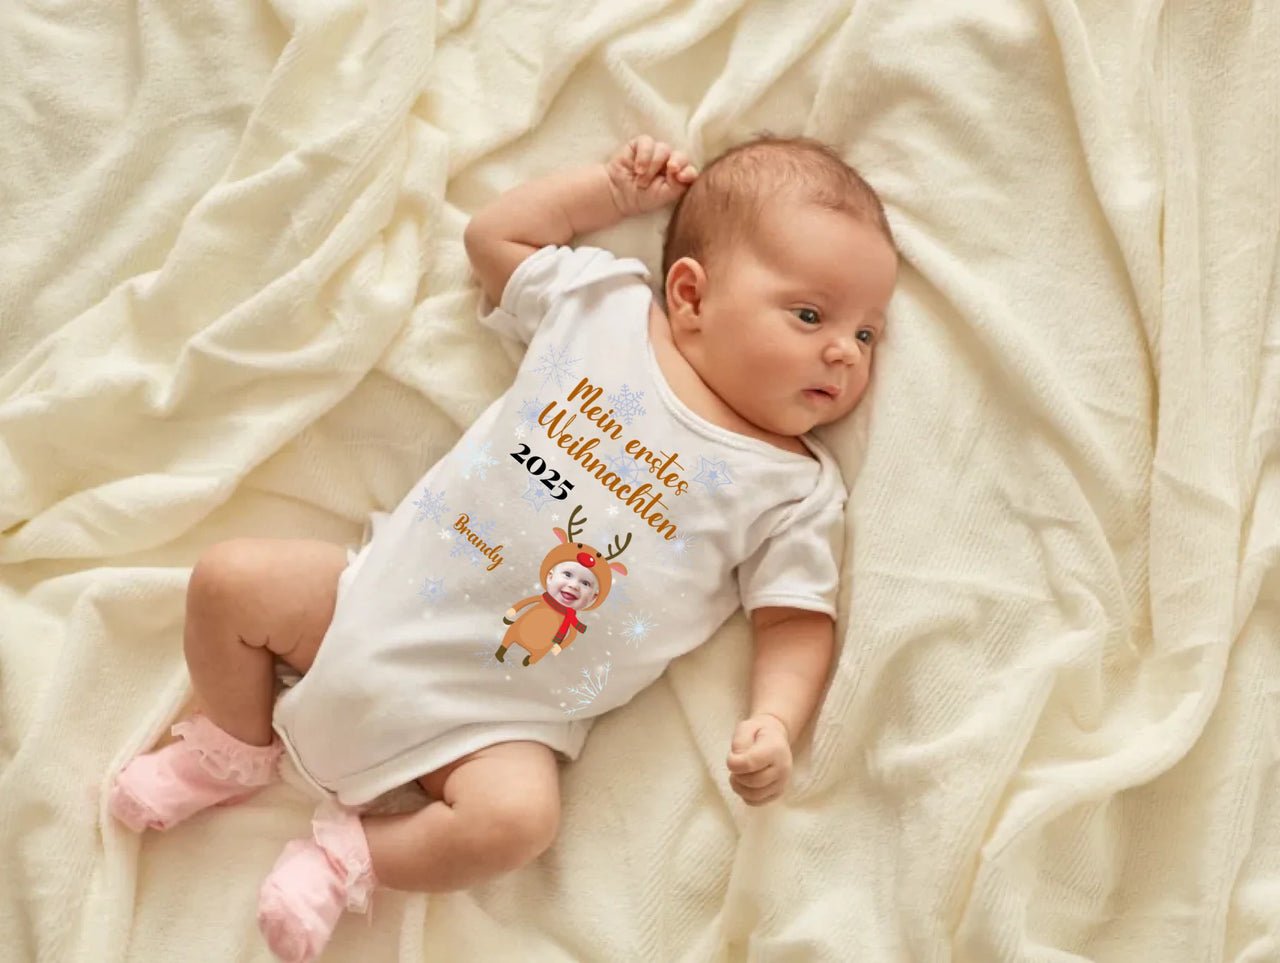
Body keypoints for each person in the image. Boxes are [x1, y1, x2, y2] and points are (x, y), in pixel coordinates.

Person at [106, 132, 898, 962]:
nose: (843, 352)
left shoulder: (791, 486)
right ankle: (234, 748)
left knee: (518, 821)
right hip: (366, 602)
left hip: (500, 720)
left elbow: (795, 620)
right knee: (231, 580)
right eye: (810, 316)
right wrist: (609, 190)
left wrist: (773, 719)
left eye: (868, 334)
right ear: (692, 295)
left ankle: (347, 858)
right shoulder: (607, 311)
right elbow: (494, 238)